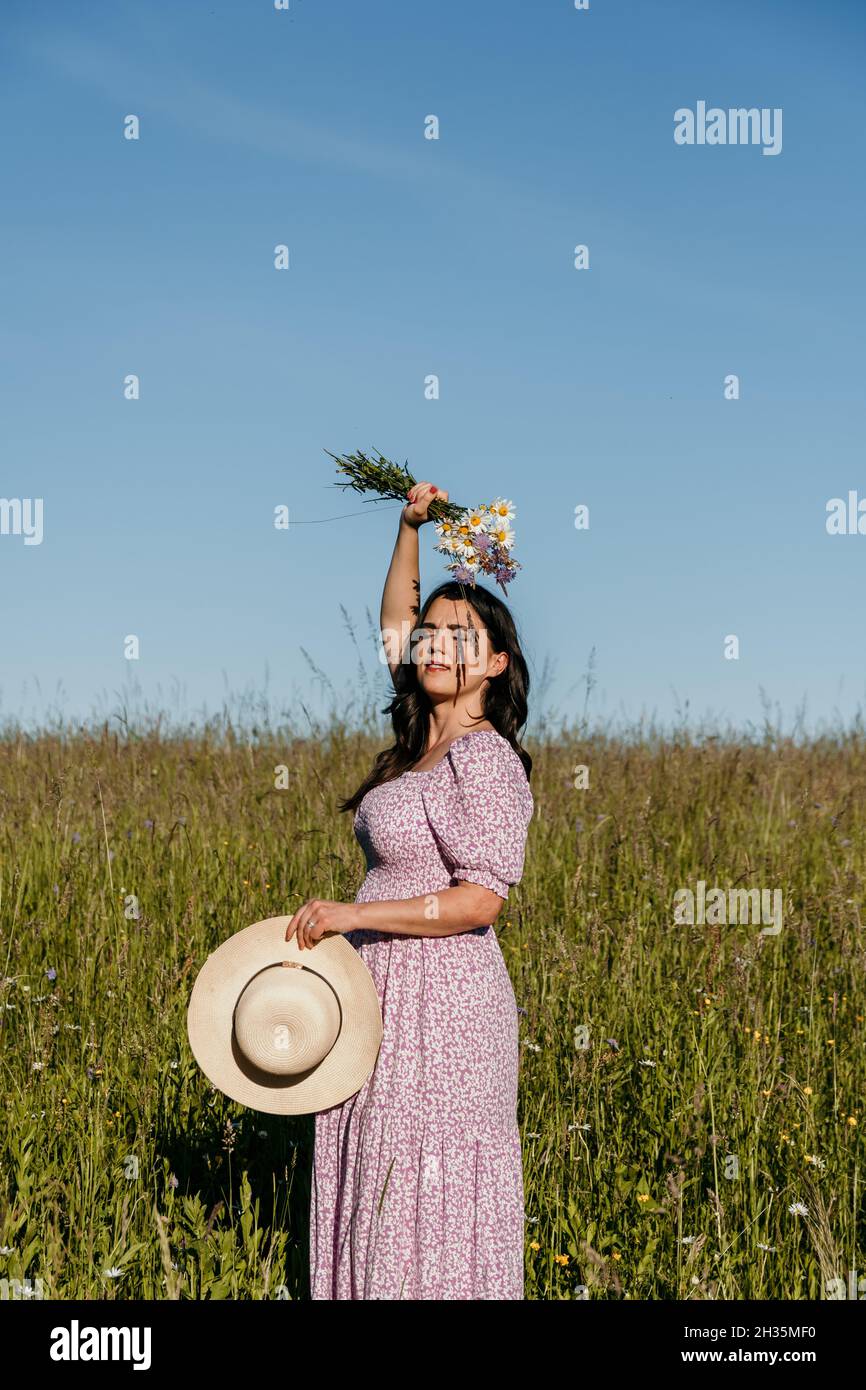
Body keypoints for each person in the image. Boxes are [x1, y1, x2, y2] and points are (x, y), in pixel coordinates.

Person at [286, 481, 534, 1300]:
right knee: (374, 1176)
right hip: (380, 987)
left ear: (495, 664)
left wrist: (356, 915)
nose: (434, 644)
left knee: (422, 1185)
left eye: (460, 637)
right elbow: (399, 625)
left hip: (446, 1003)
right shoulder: (419, 751)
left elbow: (479, 902)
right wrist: (407, 528)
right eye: (430, 634)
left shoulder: (483, 757)